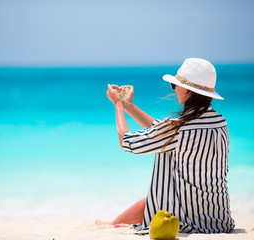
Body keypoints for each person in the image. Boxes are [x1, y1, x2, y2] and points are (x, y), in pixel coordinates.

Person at [98, 58, 235, 234]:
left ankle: (111, 225)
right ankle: (111, 224)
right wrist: (128, 105)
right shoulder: (220, 122)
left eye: (175, 85)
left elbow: (126, 141)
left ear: (186, 88)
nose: (175, 88)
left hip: (189, 221)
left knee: (156, 196)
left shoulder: (179, 128)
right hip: (218, 220)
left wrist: (117, 105)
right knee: (154, 198)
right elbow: (162, 131)